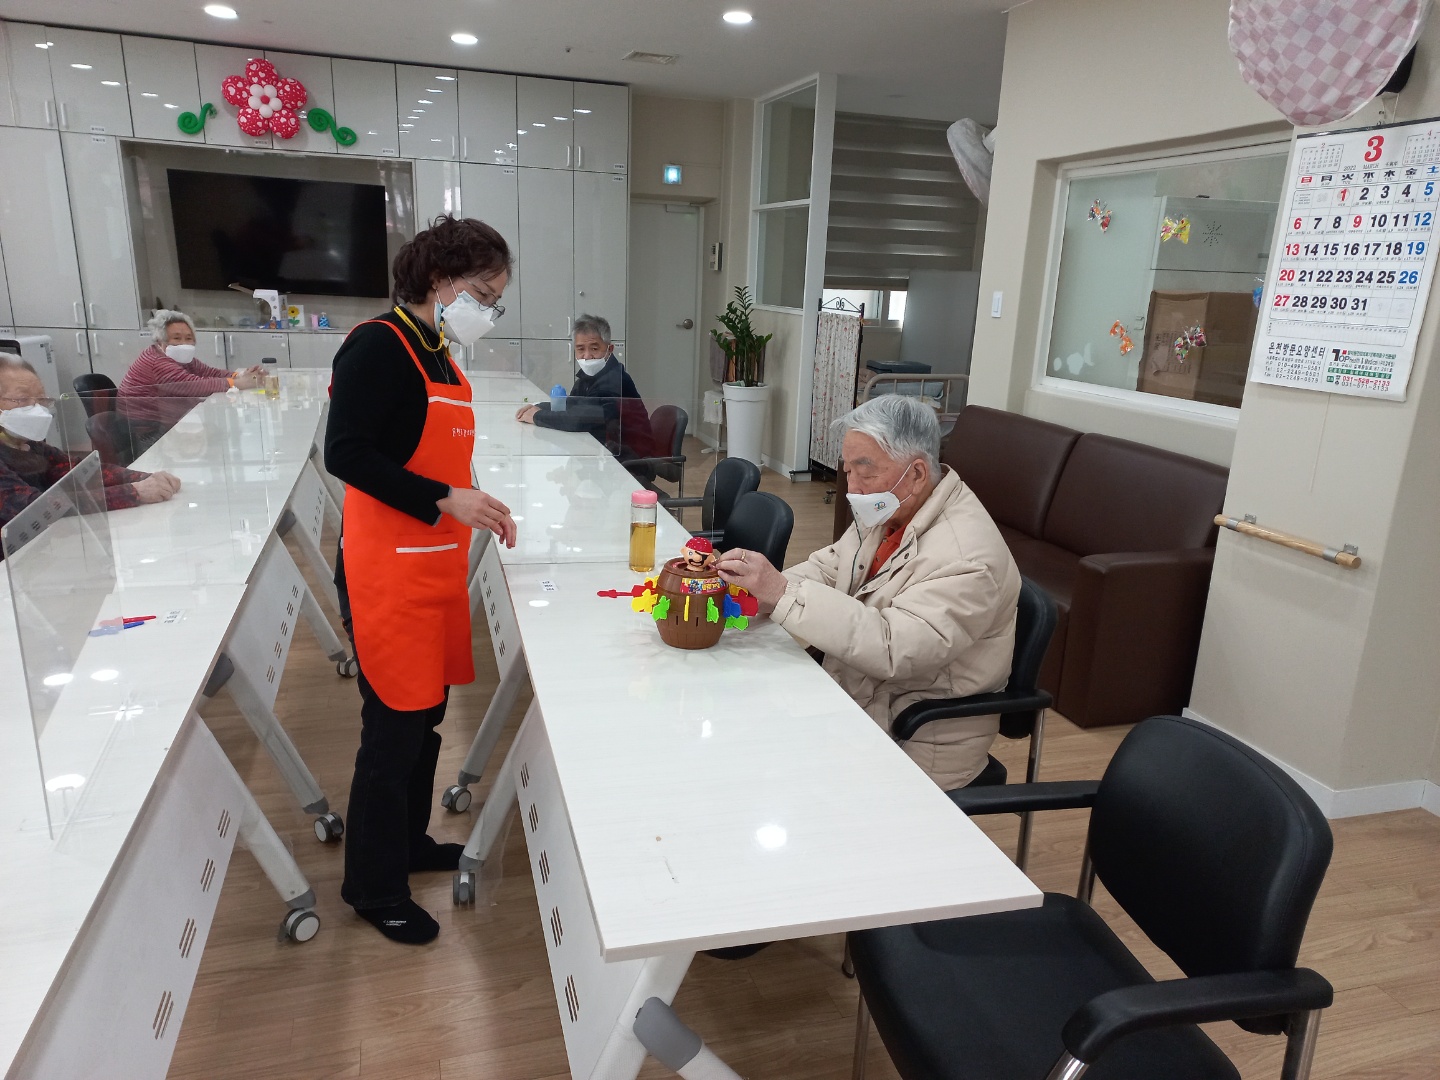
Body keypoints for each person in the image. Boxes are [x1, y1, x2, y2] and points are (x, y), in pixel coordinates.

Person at [325, 215, 518, 946]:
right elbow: (346, 453)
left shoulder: (439, 355)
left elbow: (428, 454)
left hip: (431, 566)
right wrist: (444, 499)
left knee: (425, 717)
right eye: (482, 294)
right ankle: (373, 888)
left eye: (495, 300)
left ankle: (407, 844)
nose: (487, 310)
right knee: (392, 729)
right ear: (439, 279)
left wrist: (471, 501)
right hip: (385, 571)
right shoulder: (380, 344)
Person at [714, 394, 1020, 790]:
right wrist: (757, 592)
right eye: (847, 470)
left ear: (917, 473)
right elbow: (831, 567)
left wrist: (784, 594)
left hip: (917, 740)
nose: (853, 489)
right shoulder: (894, 507)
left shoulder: (967, 557)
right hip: (861, 700)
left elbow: (894, 647)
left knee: (763, 772)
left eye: (865, 471)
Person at [0, 355, 180, 536]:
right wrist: (134, 492)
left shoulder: (28, 445)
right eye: (23, 398)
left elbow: (80, 472)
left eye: (41, 400)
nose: (37, 408)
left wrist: (143, 478)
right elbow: (36, 507)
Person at [514, 314, 654, 468]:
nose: (587, 356)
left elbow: (581, 420)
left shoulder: (613, 380)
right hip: (602, 451)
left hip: (627, 460)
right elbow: (572, 406)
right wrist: (539, 406)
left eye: (594, 348)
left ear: (610, 349)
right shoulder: (589, 377)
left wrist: (536, 415)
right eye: (580, 349)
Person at [118, 310, 265, 438]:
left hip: (169, 422)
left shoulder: (177, 358)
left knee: (221, 432)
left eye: (188, 338)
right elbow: (193, 385)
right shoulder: (157, 361)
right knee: (222, 435)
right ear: (160, 341)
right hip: (146, 432)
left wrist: (239, 375)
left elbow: (209, 372)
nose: (184, 343)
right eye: (177, 338)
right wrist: (239, 383)